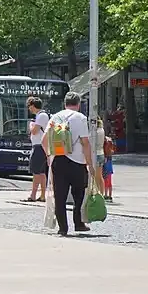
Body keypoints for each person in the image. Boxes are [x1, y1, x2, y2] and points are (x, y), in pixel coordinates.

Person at [42, 91, 94, 236]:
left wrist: (48, 156)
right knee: (79, 194)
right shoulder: (81, 118)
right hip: (77, 162)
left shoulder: (55, 117)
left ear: (64, 104)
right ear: (78, 104)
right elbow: (85, 143)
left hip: (58, 160)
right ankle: (79, 223)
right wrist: (89, 163)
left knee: (60, 196)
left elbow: (44, 140)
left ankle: (63, 228)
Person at [25, 96, 49, 202]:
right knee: (42, 172)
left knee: (36, 172)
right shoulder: (43, 115)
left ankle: (33, 195)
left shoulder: (41, 116)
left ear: (33, 106)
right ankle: (43, 195)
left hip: (39, 146)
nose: (29, 109)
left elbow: (34, 131)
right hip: (42, 146)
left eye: (29, 106)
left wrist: (31, 125)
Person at [103, 134, 115, 202]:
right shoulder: (109, 140)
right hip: (109, 159)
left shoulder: (105, 140)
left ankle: (106, 194)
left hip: (105, 159)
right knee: (109, 179)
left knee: (105, 178)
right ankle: (109, 195)